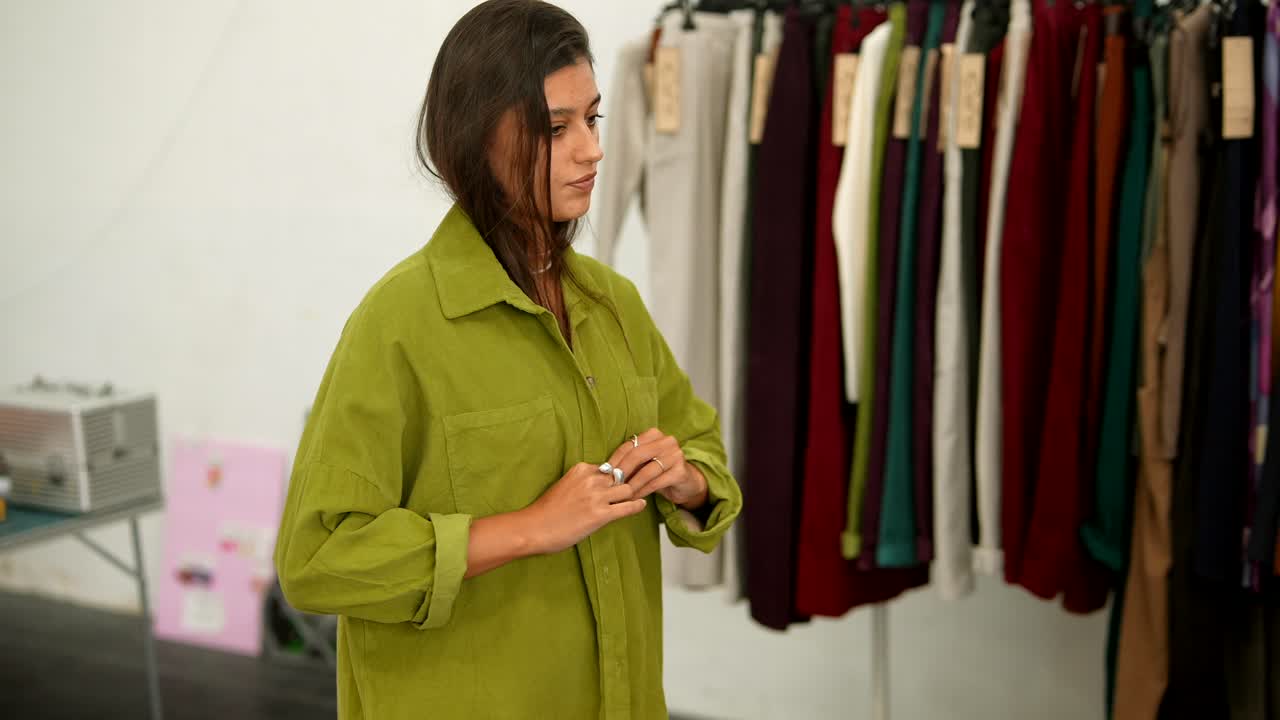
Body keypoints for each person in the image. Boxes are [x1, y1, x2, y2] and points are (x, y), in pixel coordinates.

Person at [272, 1, 743, 717]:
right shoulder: (396, 325)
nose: (592, 150)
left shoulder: (612, 304)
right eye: (557, 129)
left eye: (594, 119)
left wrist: (685, 481)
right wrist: (530, 527)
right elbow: (316, 560)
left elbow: (703, 447)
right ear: (476, 140)